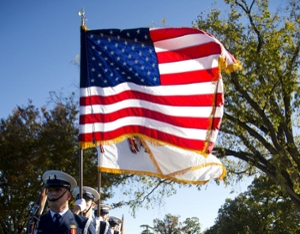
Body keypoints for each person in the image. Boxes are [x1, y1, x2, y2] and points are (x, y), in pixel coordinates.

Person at [27, 170, 96, 234]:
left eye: (58, 190)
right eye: (50, 190)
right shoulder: (37, 223)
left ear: (68, 196)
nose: (53, 193)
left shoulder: (83, 224)